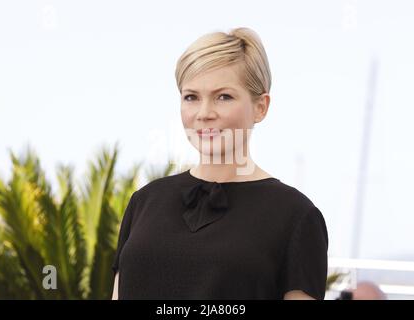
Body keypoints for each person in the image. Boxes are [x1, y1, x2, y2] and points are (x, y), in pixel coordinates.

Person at [112, 27, 328, 300]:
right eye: (191, 97)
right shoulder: (144, 202)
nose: (204, 113)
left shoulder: (296, 216)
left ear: (261, 107)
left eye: (223, 96)